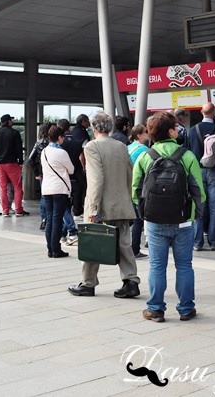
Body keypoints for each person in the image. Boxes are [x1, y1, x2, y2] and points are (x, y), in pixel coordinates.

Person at [132, 111, 204, 323]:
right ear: (171, 131)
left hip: (154, 221)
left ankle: (155, 309)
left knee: (156, 265)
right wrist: (194, 214)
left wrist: (145, 211)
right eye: (176, 127)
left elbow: (135, 189)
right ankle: (186, 309)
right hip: (183, 220)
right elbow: (199, 190)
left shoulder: (146, 156)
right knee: (184, 265)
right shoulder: (187, 156)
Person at [68, 111, 141, 298]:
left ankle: (88, 283)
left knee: (92, 242)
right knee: (124, 244)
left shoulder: (92, 147)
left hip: (101, 206)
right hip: (121, 204)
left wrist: (93, 208)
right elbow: (129, 174)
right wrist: (127, 199)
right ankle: (131, 281)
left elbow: (96, 179)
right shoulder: (121, 146)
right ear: (110, 127)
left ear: (93, 128)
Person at [188, 102, 215, 252]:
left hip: (197, 171)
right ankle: (214, 242)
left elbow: (188, 152)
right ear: (214, 112)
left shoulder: (193, 130)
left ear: (201, 112)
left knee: (198, 207)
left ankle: (197, 243)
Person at [40, 125, 73, 258]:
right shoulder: (61, 152)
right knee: (57, 219)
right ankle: (56, 249)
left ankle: (50, 249)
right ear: (59, 137)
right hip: (60, 189)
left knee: (49, 218)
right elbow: (71, 169)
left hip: (47, 188)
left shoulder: (44, 151)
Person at [0, 114, 29, 216]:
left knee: (2, 188)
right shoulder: (15, 133)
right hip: (12, 163)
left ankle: (5, 211)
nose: (12, 121)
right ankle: (18, 210)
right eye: (11, 120)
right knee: (17, 187)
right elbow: (19, 149)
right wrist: (20, 161)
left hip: (0, 164)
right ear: (8, 121)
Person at [58, 118, 82, 244]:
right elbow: (81, 158)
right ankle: (63, 234)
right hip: (76, 176)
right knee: (68, 205)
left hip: (64, 177)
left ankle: (71, 232)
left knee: (65, 206)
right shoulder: (77, 142)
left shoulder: (60, 145)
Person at [127, 124, 150, 259]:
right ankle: (135, 249)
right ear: (139, 135)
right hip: (138, 187)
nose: (148, 134)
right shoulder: (144, 150)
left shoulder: (128, 147)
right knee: (138, 220)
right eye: (145, 132)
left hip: (126, 186)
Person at [28, 123, 53, 230]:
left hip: (42, 173)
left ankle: (44, 219)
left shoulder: (38, 143)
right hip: (53, 171)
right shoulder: (52, 142)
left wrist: (36, 173)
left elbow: (30, 159)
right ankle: (51, 218)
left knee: (44, 196)